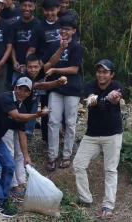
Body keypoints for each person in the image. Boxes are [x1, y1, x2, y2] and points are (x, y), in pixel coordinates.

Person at [0, 77, 49, 218]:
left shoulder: (22, 108)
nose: (22, 92)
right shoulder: (5, 98)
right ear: (15, 88)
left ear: (29, 93)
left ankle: (4, 199)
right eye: (20, 88)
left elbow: (22, 134)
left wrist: (26, 156)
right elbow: (17, 116)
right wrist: (36, 115)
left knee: (9, 165)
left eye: (26, 90)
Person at [4, 54, 68, 201]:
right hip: (8, 121)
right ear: (25, 67)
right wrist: (57, 82)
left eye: (36, 67)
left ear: (40, 67)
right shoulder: (22, 79)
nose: (33, 69)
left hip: (21, 121)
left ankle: (21, 182)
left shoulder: (36, 76)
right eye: (30, 67)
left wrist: (62, 48)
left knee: (20, 153)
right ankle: (13, 185)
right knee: (10, 152)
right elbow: (40, 86)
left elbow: (48, 67)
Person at [73, 59, 123, 218]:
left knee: (110, 169)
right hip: (92, 135)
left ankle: (108, 205)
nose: (101, 74)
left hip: (113, 134)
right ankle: (85, 198)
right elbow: (91, 100)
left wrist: (113, 97)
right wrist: (96, 99)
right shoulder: (90, 85)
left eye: (105, 72)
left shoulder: (116, 86)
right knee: (78, 164)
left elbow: (116, 98)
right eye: (99, 71)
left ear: (111, 75)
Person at [42, 15, 83, 171]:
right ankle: (52, 155)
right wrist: (60, 48)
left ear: (73, 31)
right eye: (62, 28)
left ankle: (66, 154)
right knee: (53, 121)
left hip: (72, 89)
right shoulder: (53, 45)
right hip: (55, 88)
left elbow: (74, 69)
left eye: (67, 29)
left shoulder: (77, 47)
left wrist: (55, 70)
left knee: (70, 122)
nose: (64, 31)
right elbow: (47, 65)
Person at [27, 0, 61, 148]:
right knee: (44, 104)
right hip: (43, 71)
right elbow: (32, 50)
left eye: (52, 10)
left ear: (58, 9)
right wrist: (33, 66)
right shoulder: (39, 27)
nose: (49, 13)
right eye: (46, 10)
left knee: (59, 105)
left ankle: (61, 135)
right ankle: (44, 138)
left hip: (62, 70)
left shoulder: (64, 25)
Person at [9, 0, 40, 81]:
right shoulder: (14, 26)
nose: (27, 8)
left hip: (35, 69)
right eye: (24, 5)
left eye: (30, 6)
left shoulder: (39, 25)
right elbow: (12, 46)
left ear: (34, 6)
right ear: (20, 6)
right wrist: (14, 61)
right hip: (18, 67)